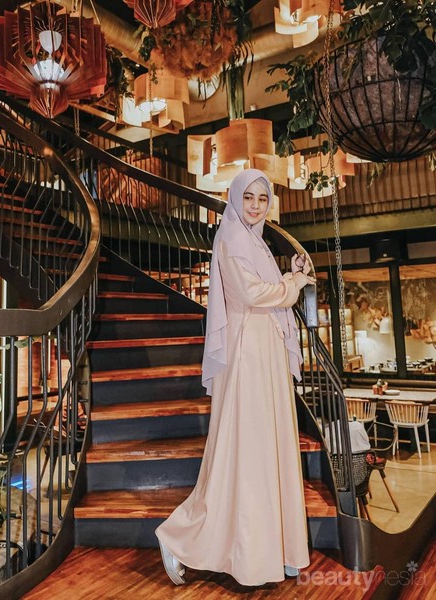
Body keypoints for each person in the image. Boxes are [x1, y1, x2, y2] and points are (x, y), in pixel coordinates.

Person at [155, 169, 316, 587]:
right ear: (235, 199)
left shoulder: (255, 241)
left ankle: (275, 549)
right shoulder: (230, 237)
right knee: (245, 451)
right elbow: (252, 293)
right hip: (248, 355)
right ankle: (180, 538)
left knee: (266, 448)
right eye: (249, 197)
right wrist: (294, 282)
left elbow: (264, 287)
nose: (256, 206)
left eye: (263, 199)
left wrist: (289, 273)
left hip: (264, 352)